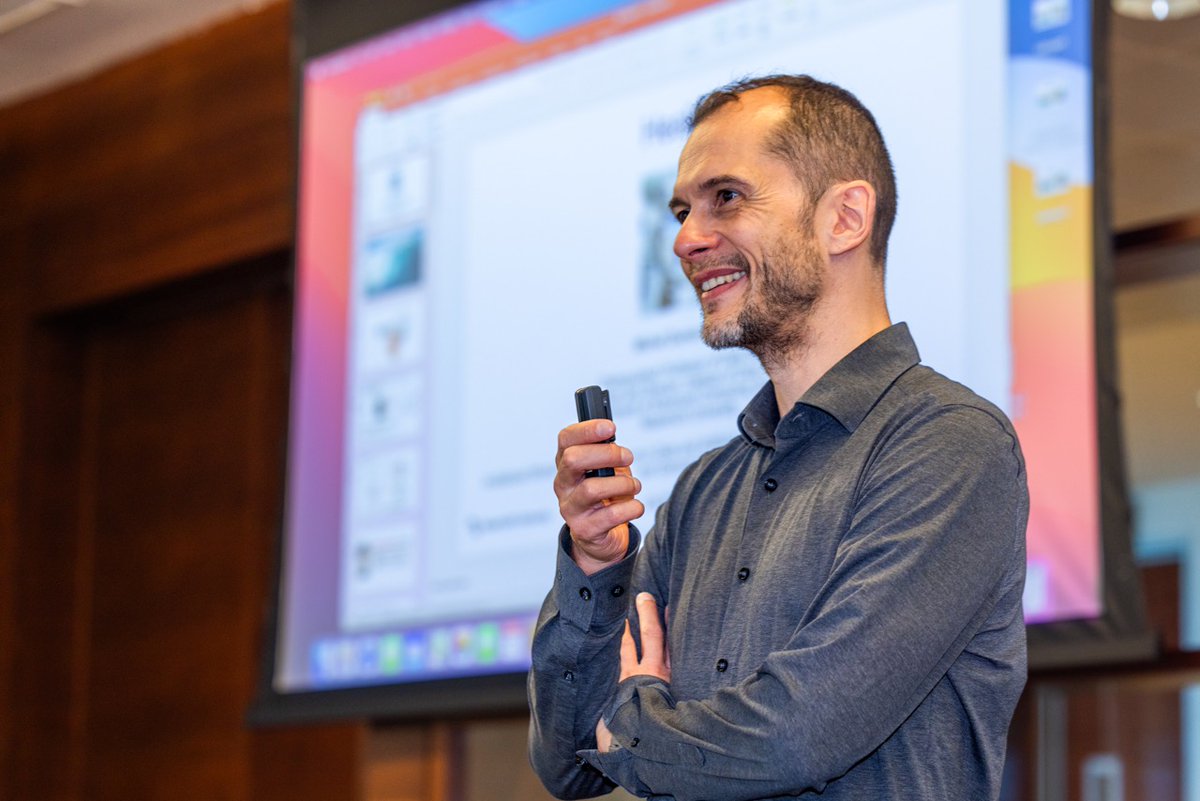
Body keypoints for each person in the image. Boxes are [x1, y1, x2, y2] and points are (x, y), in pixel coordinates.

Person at [527, 75, 1028, 801]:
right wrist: (597, 566)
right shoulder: (702, 491)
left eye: (725, 197)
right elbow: (571, 761)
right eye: (680, 210)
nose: (685, 240)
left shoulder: (949, 445)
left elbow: (797, 732)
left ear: (845, 218)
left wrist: (631, 731)